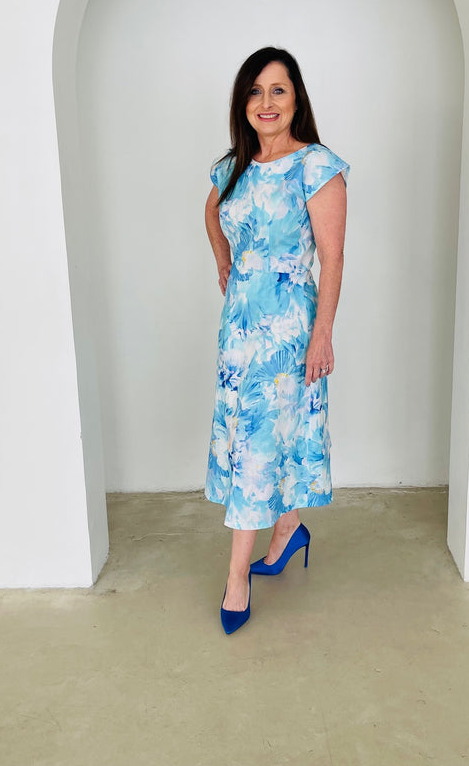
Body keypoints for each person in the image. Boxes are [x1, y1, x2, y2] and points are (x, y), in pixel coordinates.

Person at [204, 47, 349, 634]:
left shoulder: (317, 167)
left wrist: (322, 337)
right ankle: (287, 530)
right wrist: (224, 263)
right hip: (239, 331)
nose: (267, 103)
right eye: (256, 91)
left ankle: (236, 578)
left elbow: (334, 262)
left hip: (288, 334)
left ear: (297, 99)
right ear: (245, 103)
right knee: (260, 439)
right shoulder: (233, 166)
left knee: (258, 450)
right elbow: (213, 210)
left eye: (278, 90)